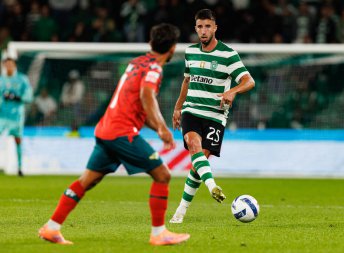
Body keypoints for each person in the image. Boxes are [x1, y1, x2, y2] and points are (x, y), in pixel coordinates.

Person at [38, 23, 190, 246]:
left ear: (151, 42)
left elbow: (139, 105)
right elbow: (147, 97)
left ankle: (52, 228)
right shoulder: (154, 69)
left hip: (106, 129)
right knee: (162, 175)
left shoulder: (136, 63)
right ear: (173, 48)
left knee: (87, 180)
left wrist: (157, 127)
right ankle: (159, 233)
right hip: (121, 132)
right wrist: (163, 127)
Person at [170, 9, 255, 224]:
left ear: (215, 27)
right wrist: (178, 107)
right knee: (193, 145)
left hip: (216, 116)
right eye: (200, 26)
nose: (203, 30)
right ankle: (212, 187)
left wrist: (232, 91)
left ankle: (181, 209)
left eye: (208, 26)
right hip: (192, 110)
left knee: (199, 164)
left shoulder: (228, 54)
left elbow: (248, 81)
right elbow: (187, 81)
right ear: (195, 28)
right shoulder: (190, 52)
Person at [0, 49, 33, 176]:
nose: (8, 65)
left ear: (14, 64)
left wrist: (18, 97)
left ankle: (20, 167)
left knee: (18, 140)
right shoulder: (1, 80)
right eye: (6, 63)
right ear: (4, 64)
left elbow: (29, 96)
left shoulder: (22, 79)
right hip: (2, 115)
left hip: (16, 115)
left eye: (11, 63)